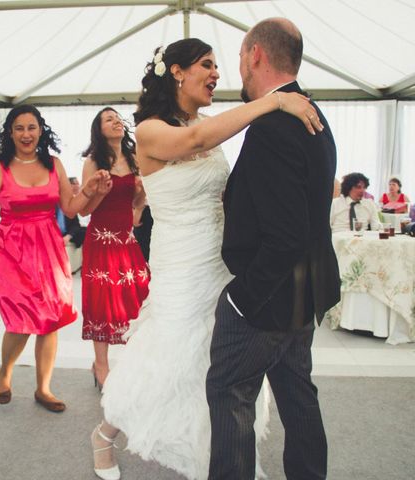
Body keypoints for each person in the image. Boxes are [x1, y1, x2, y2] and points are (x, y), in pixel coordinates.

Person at [89, 36, 323, 480]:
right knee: (167, 361)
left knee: (214, 371)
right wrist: (275, 103)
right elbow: (194, 138)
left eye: (218, 65)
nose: (217, 74)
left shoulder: (214, 122)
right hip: (179, 264)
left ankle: (214, 463)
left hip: (219, 263)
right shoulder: (152, 130)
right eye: (207, 65)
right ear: (176, 71)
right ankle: (104, 433)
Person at [206, 18, 341, 480]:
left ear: (255, 54)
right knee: (298, 396)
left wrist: (242, 300)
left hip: (265, 302)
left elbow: (286, 234)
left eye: (240, 58)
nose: (237, 69)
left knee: (230, 396)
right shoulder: (314, 115)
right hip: (303, 296)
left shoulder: (273, 126)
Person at [0, 105, 110, 413]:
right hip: (11, 250)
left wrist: (92, 190)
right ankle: (5, 372)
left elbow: (71, 208)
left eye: (31, 127)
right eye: (19, 128)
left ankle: (44, 388)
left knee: (50, 321)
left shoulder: (54, 165)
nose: (26, 134)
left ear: (41, 130)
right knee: (20, 321)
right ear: (10, 133)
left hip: (48, 249)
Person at [80, 107, 150, 389]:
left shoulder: (135, 159)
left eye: (118, 118)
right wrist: (99, 192)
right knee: (101, 302)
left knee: (137, 298)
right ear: (99, 129)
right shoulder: (94, 160)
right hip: (100, 239)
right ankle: (101, 365)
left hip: (126, 239)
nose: (116, 121)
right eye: (109, 119)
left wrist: (142, 190)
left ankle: (137, 362)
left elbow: (136, 208)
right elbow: (83, 209)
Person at [58, 177, 87, 273]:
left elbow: (76, 224)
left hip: (67, 233)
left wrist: (68, 236)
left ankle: (86, 265)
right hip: (52, 233)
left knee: (86, 231)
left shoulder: (68, 203)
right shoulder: (50, 205)